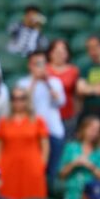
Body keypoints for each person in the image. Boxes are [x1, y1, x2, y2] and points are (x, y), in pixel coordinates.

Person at [15, 50, 65, 179]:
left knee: (52, 172)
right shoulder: (23, 83)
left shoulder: (54, 82)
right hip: (31, 133)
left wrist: (47, 82)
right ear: (30, 65)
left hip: (53, 131)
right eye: (36, 64)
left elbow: (60, 102)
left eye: (42, 64)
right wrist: (35, 81)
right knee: (33, 171)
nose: (40, 67)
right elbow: (24, 105)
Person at [0, 87, 49, 199]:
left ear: (27, 100)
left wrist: (41, 165)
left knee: (33, 198)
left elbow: (45, 145)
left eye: (22, 98)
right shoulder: (4, 121)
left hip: (32, 166)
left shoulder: (37, 120)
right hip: (8, 167)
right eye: (14, 99)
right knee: (8, 198)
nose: (18, 102)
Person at [58, 115, 100, 199]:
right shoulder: (71, 147)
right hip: (72, 196)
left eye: (98, 130)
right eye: (92, 128)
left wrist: (89, 165)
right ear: (83, 128)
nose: (94, 132)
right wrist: (74, 163)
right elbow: (61, 174)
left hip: (94, 198)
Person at [44, 39, 79, 129]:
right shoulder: (44, 70)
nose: (59, 55)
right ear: (50, 53)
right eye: (56, 52)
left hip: (68, 116)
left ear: (67, 54)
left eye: (63, 52)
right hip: (47, 116)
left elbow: (77, 95)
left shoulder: (73, 71)